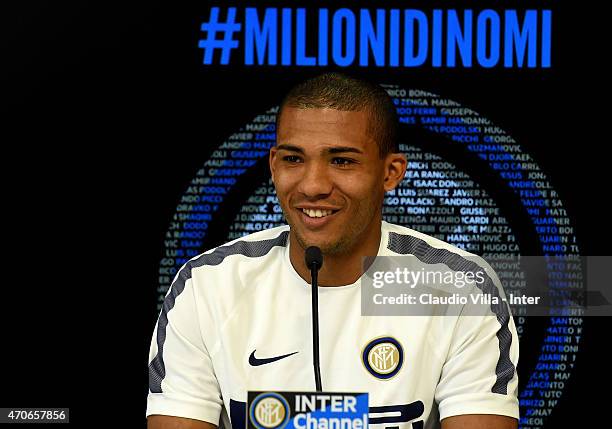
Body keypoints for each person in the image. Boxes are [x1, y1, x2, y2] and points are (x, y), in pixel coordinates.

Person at [146, 72, 519, 429]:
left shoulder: (459, 287)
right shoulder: (206, 285)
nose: (313, 186)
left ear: (391, 173)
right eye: (294, 159)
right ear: (274, 166)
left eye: (341, 161)